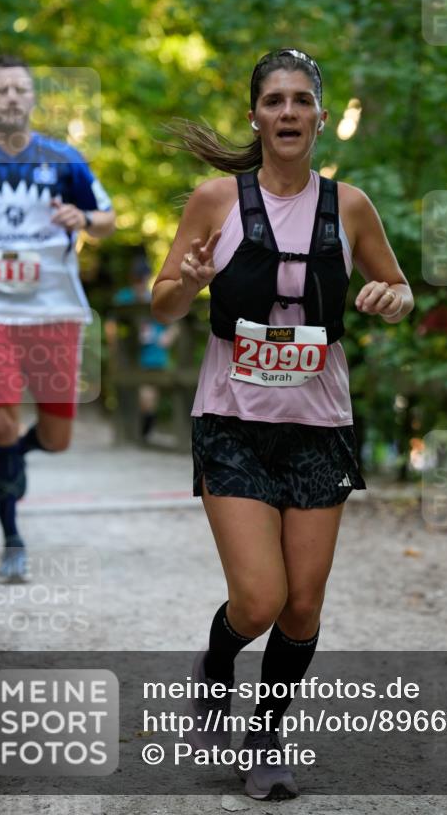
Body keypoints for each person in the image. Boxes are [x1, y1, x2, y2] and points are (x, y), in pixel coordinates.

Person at [152, 48, 414, 801]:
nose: (288, 112)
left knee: (302, 604)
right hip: (231, 419)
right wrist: (190, 283)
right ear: (255, 117)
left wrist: (390, 300)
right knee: (260, 598)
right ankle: (213, 663)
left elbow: (393, 285)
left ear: (321, 117)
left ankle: (265, 735)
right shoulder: (214, 201)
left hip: (318, 423)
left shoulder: (351, 205)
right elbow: (164, 300)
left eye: (302, 100)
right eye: (274, 101)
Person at [0, 54, 115, 580]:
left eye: (20, 90)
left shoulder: (65, 161)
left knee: (57, 437)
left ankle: (7, 457)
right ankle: (12, 539)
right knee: (0, 420)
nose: (11, 98)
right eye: (0, 91)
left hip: (55, 308)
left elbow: (109, 221)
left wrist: (83, 217)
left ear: (33, 96)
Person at [106, 254, 178, 441]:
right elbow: (111, 325)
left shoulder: (154, 296)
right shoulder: (123, 297)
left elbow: (175, 323)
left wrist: (168, 336)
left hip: (154, 355)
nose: (140, 281)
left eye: (143, 278)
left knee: (149, 398)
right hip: (131, 356)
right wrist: (116, 346)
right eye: (138, 278)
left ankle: (144, 433)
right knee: (135, 396)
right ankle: (135, 433)